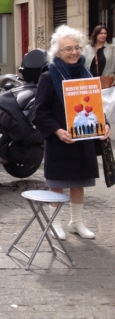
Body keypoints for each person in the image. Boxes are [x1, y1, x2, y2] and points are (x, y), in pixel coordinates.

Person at [35, 25, 110, 240]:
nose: (74, 52)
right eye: (68, 49)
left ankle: (76, 222)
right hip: (60, 139)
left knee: (79, 181)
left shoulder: (87, 73)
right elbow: (40, 112)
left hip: (83, 138)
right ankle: (54, 223)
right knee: (57, 184)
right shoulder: (49, 76)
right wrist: (57, 131)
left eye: (77, 48)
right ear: (57, 52)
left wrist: (104, 125)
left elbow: (96, 107)